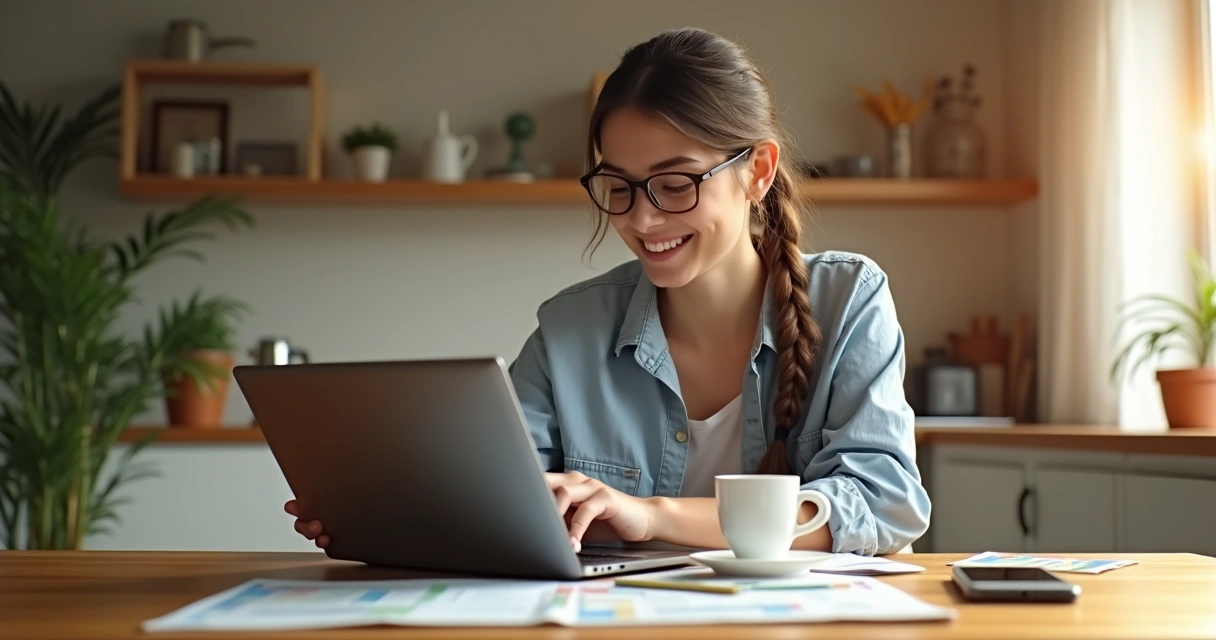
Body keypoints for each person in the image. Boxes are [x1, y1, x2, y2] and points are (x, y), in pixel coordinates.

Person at [286, 26, 930, 557]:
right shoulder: (572, 328)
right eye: (617, 186)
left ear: (756, 172)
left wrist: (650, 516)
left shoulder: (849, 298)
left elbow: (884, 501)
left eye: (675, 184)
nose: (642, 220)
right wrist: (385, 517)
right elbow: (505, 499)